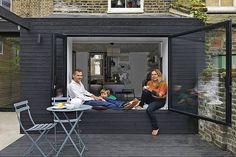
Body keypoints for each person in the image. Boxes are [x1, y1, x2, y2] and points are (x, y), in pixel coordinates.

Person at [67, 69, 138, 109]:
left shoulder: (79, 83)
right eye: (78, 75)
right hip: (83, 102)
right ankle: (123, 108)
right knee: (105, 103)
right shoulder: (72, 85)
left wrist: (95, 96)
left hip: (87, 99)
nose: (80, 77)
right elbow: (80, 97)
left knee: (107, 98)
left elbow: (85, 92)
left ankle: (125, 104)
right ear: (73, 76)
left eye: (81, 75)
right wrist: (94, 98)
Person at [136, 69, 167, 136]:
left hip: (159, 100)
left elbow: (160, 95)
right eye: (152, 74)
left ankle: (156, 128)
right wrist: (145, 89)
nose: (153, 76)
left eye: (155, 74)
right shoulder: (149, 82)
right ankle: (141, 105)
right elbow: (147, 93)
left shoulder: (163, 83)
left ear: (159, 75)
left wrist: (151, 90)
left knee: (149, 110)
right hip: (152, 99)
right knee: (145, 91)